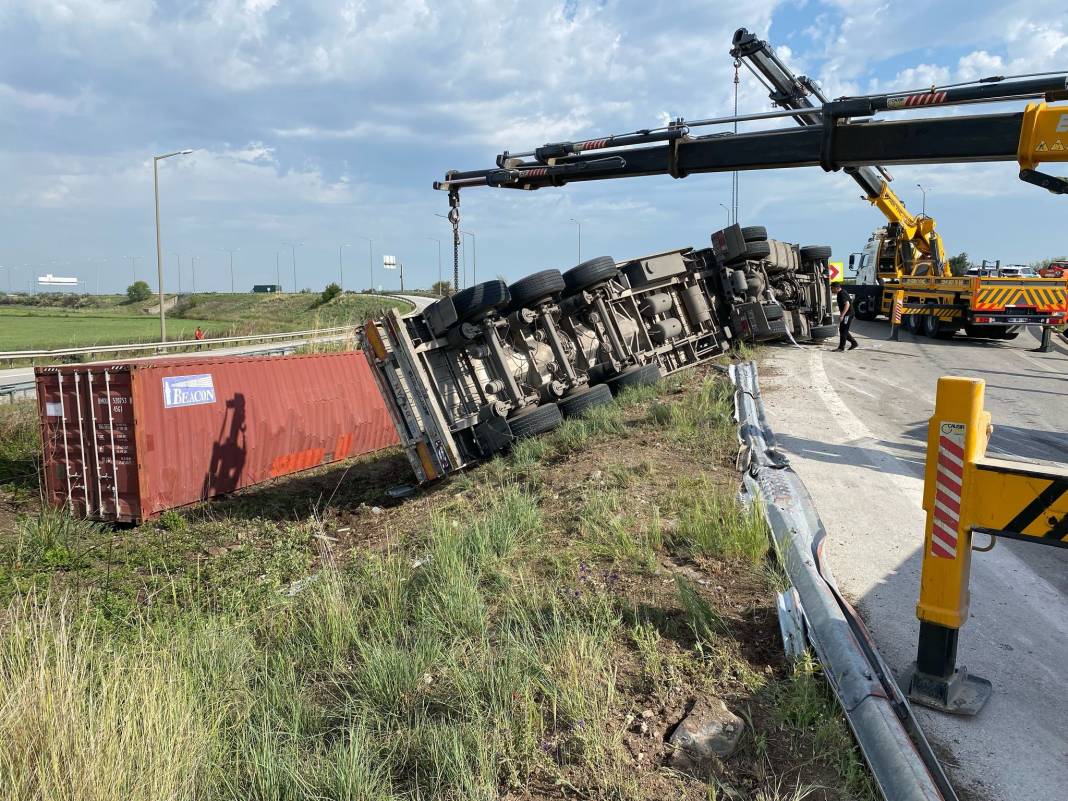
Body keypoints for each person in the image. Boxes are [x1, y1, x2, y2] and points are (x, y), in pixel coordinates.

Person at [835, 284, 858, 351]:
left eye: (832, 288)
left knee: (843, 330)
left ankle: (841, 348)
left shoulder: (842, 293)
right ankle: (854, 343)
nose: (831, 290)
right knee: (843, 330)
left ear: (836, 288)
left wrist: (842, 315)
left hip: (848, 314)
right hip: (847, 314)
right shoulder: (841, 292)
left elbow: (847, 304)